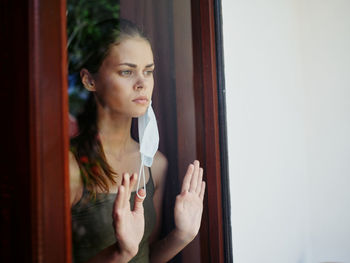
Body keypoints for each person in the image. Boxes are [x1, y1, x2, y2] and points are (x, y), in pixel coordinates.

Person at [69, 19, 206, 263]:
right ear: (90, 80)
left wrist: (181, 236)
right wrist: (120, 253)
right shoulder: (70, 167)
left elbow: (146, 257)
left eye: (148, 71)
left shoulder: (154, 164)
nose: (142, 83)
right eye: (127, 71)